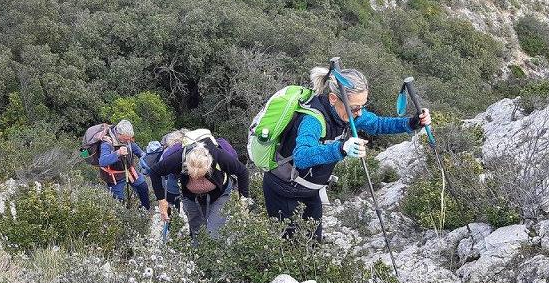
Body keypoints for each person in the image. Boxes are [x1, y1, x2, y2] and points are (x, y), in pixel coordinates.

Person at [264, 66, 431, 240]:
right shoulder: (313, 120)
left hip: (310, 191)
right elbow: (302, 156)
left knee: (313, 246)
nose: (358, 113)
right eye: (354, 108)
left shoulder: (349, 113)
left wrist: (412, 123)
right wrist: (341, 148)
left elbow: (378, 124)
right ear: (333, 98)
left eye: (362, 106)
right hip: (283, 191)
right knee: (289, 249)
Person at [149, 137, 250, 242]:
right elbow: (154, 172)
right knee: (197, 233)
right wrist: (161, 200)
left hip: (219, 194)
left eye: (202, 175)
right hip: (191, 197)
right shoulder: (178, 159)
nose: (197, 178)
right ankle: (198, 255)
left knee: (214, 234)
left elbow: (243, 171)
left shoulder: (219, 156)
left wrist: (243, 200)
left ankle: (216, 255)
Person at [97, 120, 151, 210]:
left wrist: (145, 157)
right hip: (115, 176)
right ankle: (122, 219)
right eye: (126, 139)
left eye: (129, 139)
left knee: (143, 187)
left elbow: (136, 149)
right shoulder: (107, 143)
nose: (128, 141)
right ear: (118, 134)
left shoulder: (127, 139)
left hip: (129, 171)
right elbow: (102, 161)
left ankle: (145, 210)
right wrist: (118, 153)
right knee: (118, 201)